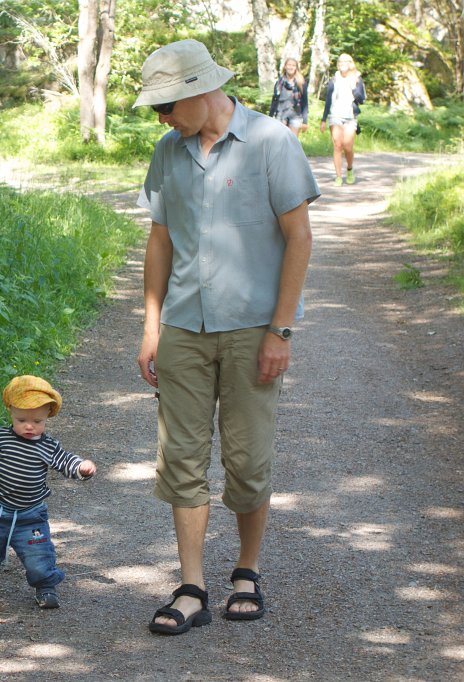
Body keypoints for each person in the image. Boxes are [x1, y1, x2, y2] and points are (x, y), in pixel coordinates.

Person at [132, 39, 318, 635]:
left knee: (246, 460)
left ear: (197, 91)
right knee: (180, 459)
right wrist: (151, 325)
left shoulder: (272, 143)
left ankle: (247, 571)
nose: (160, 119)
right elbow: (160, 240)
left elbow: (300, 239)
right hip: (184, 329)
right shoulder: (169, 151)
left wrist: (279, 331)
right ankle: (192, 587)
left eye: (165, 106)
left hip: (251, 332)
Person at [0, 375, 96, 609]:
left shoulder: (47, 445)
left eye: (37, 420)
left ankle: (45, 586)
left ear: (47, 417)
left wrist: (81, 468)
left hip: (30, 514)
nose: (29, 426)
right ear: (11, 412)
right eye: (21, 419)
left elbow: (64, 460)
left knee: (39, 556)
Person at [320, 53, 366, 186]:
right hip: (335, 115)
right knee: (337, 145)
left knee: (348, 146)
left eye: (345, 61)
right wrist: (323, 119)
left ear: (350, 63)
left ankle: (350, 169)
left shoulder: (357, 78)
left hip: (350, 116)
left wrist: (354, 88)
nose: (342, 64)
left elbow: (361, 98)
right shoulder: (334, 79)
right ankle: (338, 176)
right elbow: (328, 100)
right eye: (340, 61)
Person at [269, 58, 309, 137]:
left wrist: (305, 121)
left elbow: (305, 102)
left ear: (296, 68)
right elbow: (274, 100)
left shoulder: (301, 82)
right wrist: (270, 117)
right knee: (280, 140)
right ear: (285, 67)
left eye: (293, 65)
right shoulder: (279, 83)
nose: (291, 67)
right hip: (281, 114)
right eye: (289, 65)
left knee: (292, 141)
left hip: (295, 115)